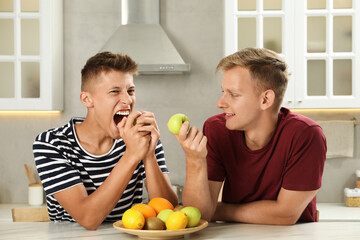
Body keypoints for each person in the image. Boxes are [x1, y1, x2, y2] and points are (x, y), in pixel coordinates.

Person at [175, 48, 327, 225]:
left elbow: (285, 215)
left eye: (233, 94)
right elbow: (199, 215)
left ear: (265, 100)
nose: (220, 103)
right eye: (223, 92)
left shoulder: (306, 134)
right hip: (234, 234)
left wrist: (217, 210)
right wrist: (194, 160)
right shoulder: (217, 129)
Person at [33, 52, 178, 230]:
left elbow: (167, 212)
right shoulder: (51, 144)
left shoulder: (140, 137)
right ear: (87, 99)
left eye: (131, 91)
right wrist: (132, 155)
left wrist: (148, 155)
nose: (127, 100)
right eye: (114, 91)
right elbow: (88, 219)